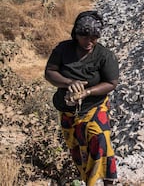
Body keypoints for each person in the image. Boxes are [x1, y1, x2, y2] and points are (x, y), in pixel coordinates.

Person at [44, 10, 119, 186]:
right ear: (76, 35)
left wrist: (88, 92)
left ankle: (107, 181)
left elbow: (111, 83)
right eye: (85, 37)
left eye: (94, 37)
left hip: (94, 107)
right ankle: (88, 180)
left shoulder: (104, 56)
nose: (89, 42)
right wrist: (69, 83)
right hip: (68, 111)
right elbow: (50, 72)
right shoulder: (63, 50)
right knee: (77, 150)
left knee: (100, 141)